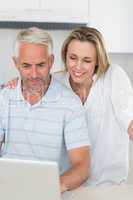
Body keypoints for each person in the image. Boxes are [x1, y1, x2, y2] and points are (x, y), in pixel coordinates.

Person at [6, 27, 133, 185]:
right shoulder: (58, 81)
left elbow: (129, 121)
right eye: (73, 58)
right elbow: (34, 76)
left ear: (97, 61)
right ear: (64, 57)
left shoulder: (113, 77)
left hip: (107, 183)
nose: (78, 67)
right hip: (70, 186)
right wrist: (13, 84)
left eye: (86, 60)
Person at [0, 27, 91, 192]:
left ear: (51, 61)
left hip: (49, 191)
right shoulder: (4, 98)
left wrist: (49, 188)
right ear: (16, 63)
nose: (34, 75)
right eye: (26, 66)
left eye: (41, 65)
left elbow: (82, 166)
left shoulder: (70, 104)